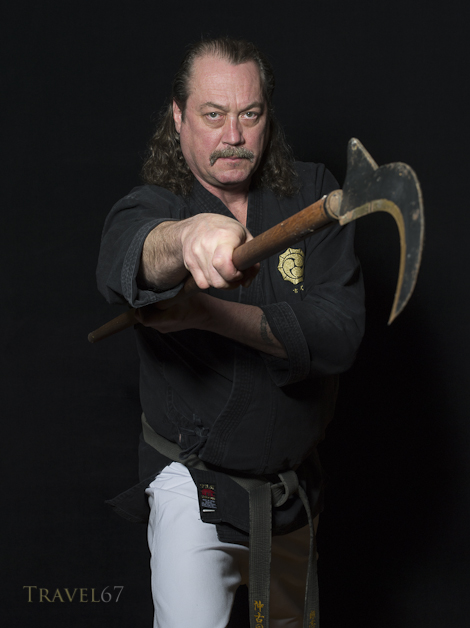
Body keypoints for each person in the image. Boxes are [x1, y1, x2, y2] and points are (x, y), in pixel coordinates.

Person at [96, 36, 365, 628]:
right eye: (213, 115)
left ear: (268, 115)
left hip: (293, 497)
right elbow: (130, 253)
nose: (234, 135)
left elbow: (340, 333)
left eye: (251, 114)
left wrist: (210, 315)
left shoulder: (314, 194)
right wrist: (186, 237)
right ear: (178, 117)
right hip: (195, 492)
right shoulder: (156, 205)